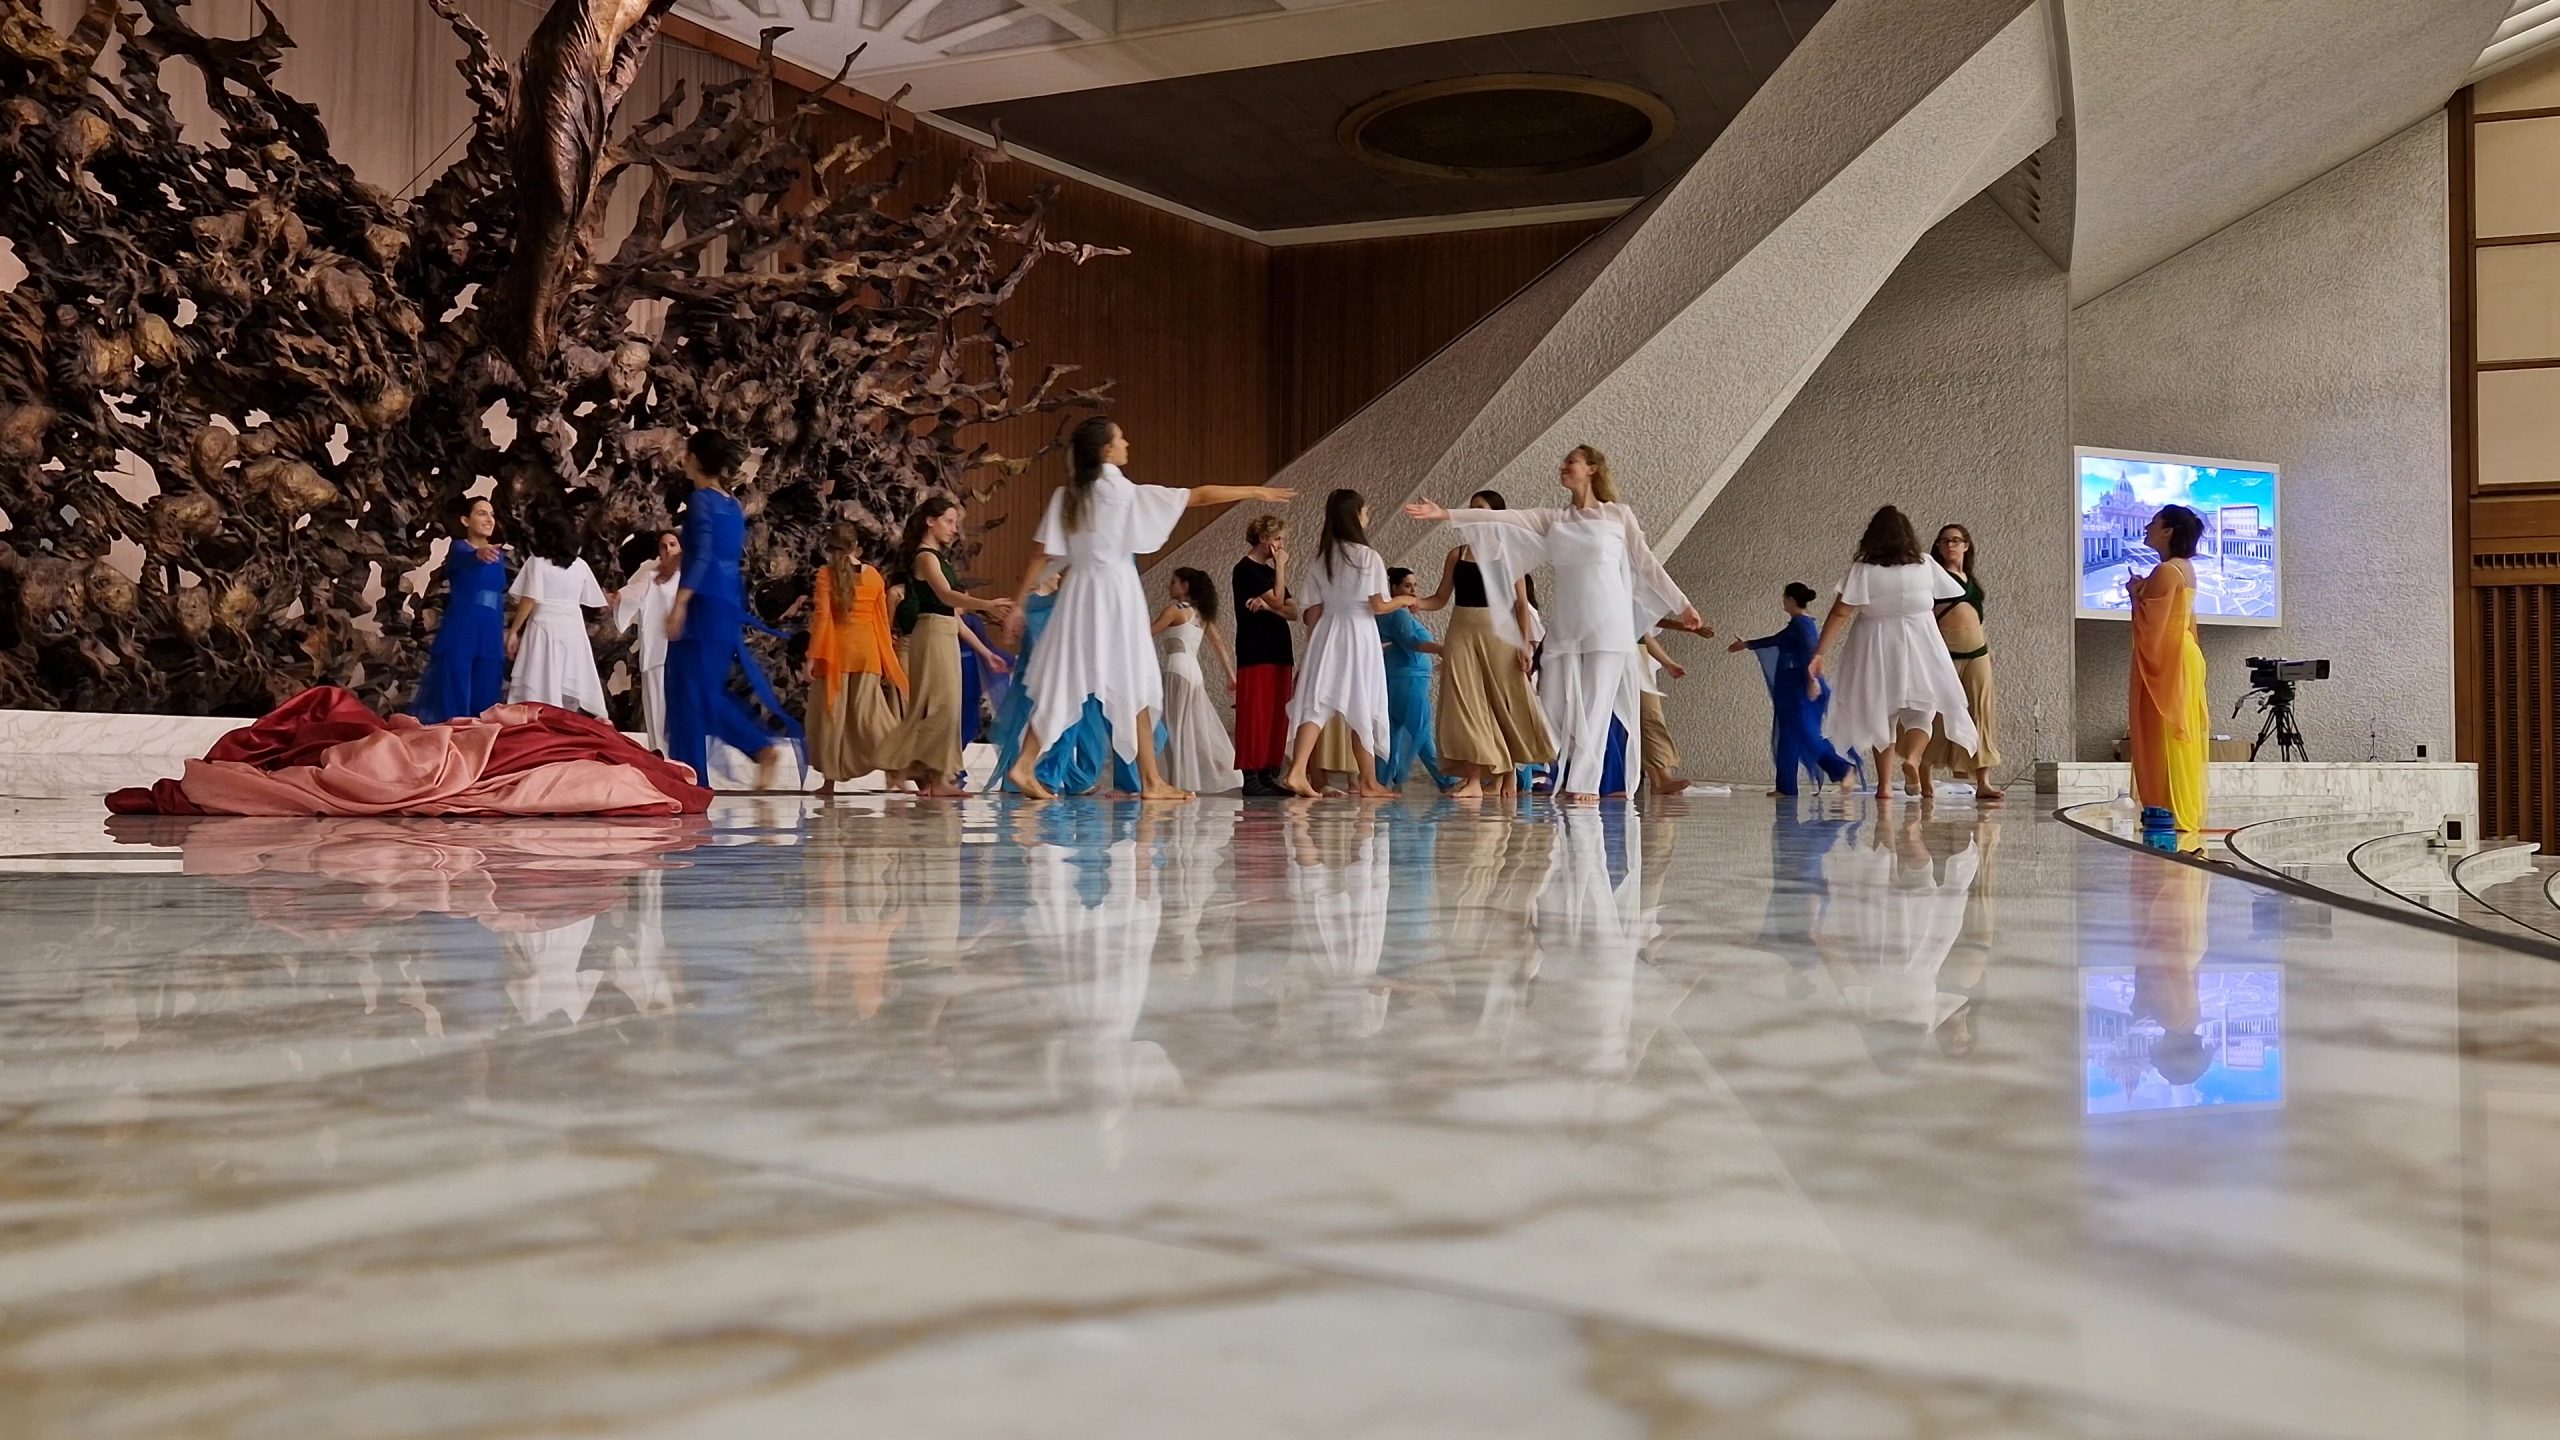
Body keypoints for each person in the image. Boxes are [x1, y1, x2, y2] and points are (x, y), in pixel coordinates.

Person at [1002, 417, 1292, 801]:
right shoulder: (1120, 492)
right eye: (1120, 438)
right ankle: (1151, 782)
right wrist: (1254, 490)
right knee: (1135, 682)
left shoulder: (1068, 495)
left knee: (1064, 680)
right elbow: (1197, 496)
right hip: (1115, 595)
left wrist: (1019, 606)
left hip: (1078, 599)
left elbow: (1040, 556)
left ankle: (1026, 765)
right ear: (1106, 451)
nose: (1127, 442)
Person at [1404, 445, 1708, 802]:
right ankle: (1559, 772)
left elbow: (1647, 564)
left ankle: (1585, 784)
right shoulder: (1554, 519)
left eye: (1572, 462)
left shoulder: (1618, 515)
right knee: (1553, 705)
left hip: (1608, 624)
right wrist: (1444, 514)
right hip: (1567, 626)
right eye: (1563, 462)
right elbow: (1502, 518)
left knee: (1596, 704)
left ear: (1592, 468)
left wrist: (1682, 605)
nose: (1564, 466)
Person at [1807, 505, 1977, 801]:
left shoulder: (1863, 570)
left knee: (1881, 715)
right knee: (1921, 714)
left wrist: (1819, 652)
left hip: (1876, 647)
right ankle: (1911, 758)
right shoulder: (1924, 564)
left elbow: (1840, 613)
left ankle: (1884, 786)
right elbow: (1954, 593)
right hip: (1921, 645)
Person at [664, 429, 797, 791]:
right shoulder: (731, 504)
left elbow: (704, 554)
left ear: (694, 459)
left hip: (703, 603)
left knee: (691, 692)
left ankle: (739, 756)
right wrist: (675, 563)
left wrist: (680, 603)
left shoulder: (702, 500)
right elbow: (713, 550)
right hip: (726, 600)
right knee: (699, 689)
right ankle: (695, 777)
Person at [1412, 491, 1554, 799]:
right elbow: (1439, 599)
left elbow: (1520, 604)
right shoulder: (1457, 553)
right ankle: (1474, 779)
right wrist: (1413, 603)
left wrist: (1524, 644)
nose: (1473, 513)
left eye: (1480, 509)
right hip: (1461, 632)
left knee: (1502, 701)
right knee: (1466, 703)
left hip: (1500, 634)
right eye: (1471, 508)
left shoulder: (1509, 553)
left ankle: (1507, 772)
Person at [875, 496, 1011, 798]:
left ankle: (930, 775)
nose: (954, 529)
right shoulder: (925, 557)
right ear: (930, 521)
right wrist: (985, 603)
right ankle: (903, 765)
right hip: (932, 633)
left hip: (944, 631)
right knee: (940, 705)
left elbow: (951, 613)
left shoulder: (939, 557)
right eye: (949, 521)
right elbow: (946, 596)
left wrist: (986, 652)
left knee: (946, 706)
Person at [1281, 489, 1403, 799]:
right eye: (1365, 511)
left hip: (1327, 632)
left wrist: (1314, 648)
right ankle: (1369, 781)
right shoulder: (1368, 557)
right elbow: (1378, 605)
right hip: (1359, 633)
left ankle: (1298, 770)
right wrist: (1404, 599)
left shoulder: (1323, 558)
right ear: (1355, 515)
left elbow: (1313, 611)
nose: (1367, 516)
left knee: (1317, 702)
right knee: (1364, 701)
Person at [985, 568, 1113, 796]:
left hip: (1045, 674)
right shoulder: (1038, 604)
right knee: (1056, 726)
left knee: (1059, 727)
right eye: (1054, 573)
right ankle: (1053, 779)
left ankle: (1070, 779)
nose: (1058, 577)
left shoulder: (1049, 604)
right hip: (1044, 676)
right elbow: (1038, 642)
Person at [803, 523, 907, 798]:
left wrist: (812, 656)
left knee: (832, 718)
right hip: (867, 652)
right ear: (855, 547)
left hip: (836, 653)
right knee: (871, 716)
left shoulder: (826, 575)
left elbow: (823, 618)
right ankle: (899, 764)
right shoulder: (873, 577)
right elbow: (881, 621)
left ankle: (829, 783)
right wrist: (887, 658)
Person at [2129, 504, 2209, 840]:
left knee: (2160, 730)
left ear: (2168, 531)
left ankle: (2166, 807)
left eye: (2154, 523)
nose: (2147, 527)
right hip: (2183, 653)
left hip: (2168, 657)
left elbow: (2152, 627)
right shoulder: (2184, 568)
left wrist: (2135, 596)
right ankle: (2173, 807)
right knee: (2173, 733)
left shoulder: (2166, 571)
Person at [1732, 582, 1856, 796]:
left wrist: (1812, 680)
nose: (1783, 601)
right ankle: (1786, 786)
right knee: (1789, 736)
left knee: (1805, 733)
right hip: (1790, 688)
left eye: (1784, 598)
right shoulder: (1797, 624)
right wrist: (1747, 644)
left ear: (1790, 599)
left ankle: (1842, 768)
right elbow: (1775, 640)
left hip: (1800, 688)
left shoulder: (1802, 624)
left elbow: (1812, 652)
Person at [411, 494, 510, 724]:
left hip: (490, 634)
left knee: (486, 693)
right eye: (481, 513)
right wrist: (478, 553)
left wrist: (508, 632)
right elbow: (466, 558)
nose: (489, 519)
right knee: (455, 690)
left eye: (492, 514)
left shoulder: (499, 555)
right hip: (462, 630)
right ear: (466, 520)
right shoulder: (459, 548)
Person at [1922, 523, 2003, 803]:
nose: (1950, 546)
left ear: (1966, 545)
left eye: (1956, 541)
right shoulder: (1933, 577)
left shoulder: (1971, 579)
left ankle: (1983, 781)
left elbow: (1978, 618)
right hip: (1946, 653)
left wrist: (1988, 650)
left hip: (1978, 652)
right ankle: (1924, 772)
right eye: (1944, 541)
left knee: (1981, 713)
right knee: (1937, 714)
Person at [503, 508, 610, 717]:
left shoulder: (537, 563)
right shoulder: (580, 566)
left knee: (539, 679)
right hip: (572, 629)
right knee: (566, 680)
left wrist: (514, 630)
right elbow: (595, 600)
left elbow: (530, 599)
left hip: (543, 627)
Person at [1151, 567, 1238, 794]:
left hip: (1177, 670)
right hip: (1194, 673)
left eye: (1174, 582)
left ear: (1185, 586)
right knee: (1187, 726)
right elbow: (1219, 644)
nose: (1170, 586)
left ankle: (1179, 782)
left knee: (1173, 727)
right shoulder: (1201, 614)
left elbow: (1148, 631)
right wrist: (1230, 675)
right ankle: (1182, 780)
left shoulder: (1174, 610)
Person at [1232, 516, 1296, 795]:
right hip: (1255, 648)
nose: (1282, 545)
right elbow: (1282, 599)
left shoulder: (1269, 574)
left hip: (1279, 648)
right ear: (1264, 539)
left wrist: (1270, 607)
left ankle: (1270, 771)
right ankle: (1252, 775)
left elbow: (1293, 612)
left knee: (1277, 712)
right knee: (1256, 711)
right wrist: (1280, 567)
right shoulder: (1246, 569)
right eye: (1278, 539)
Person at [1377, 566, 1452, 792]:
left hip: (1397, 680)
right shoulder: (1398, 613)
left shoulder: (1387, 613)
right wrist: (1440, 648)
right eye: (1408, 586)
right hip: (1408, 681)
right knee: (1421, 732)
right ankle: (1447, 781)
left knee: (1391, 736)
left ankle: (1383, 782)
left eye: (1415, 586)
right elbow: (1411, 641)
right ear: (1394, 588)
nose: (1414, 591)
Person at [610, 530, 681, 753]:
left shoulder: (690, 577)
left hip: (682, 649)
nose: (668, 549)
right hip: (657, 647)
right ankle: (659, 751)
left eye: (673, 544)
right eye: (663, 546)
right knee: (655, 702)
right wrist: (616, 597)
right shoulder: (651, 577)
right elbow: (633, 592)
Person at [1636, 631, 1691, 796]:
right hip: (1600, 651)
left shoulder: (1631, 608)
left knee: (1650, 715)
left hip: (1636, 655)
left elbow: (1642, 632)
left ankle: (1662, 778)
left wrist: (1667, 662)